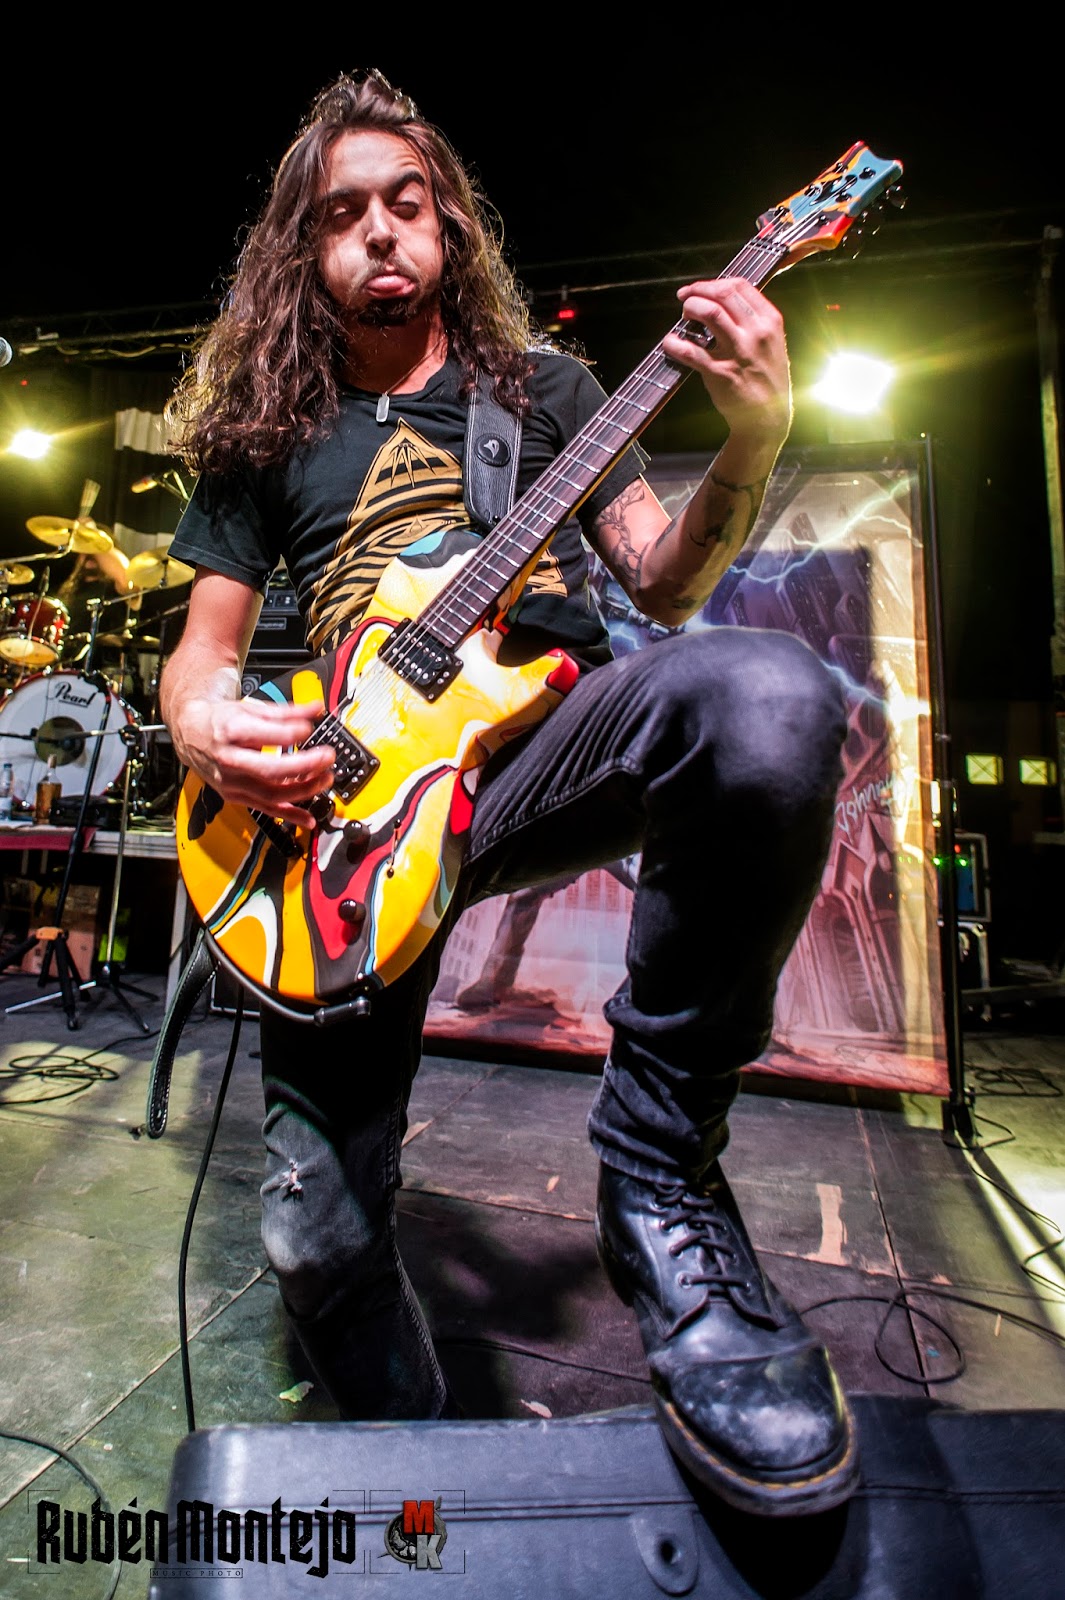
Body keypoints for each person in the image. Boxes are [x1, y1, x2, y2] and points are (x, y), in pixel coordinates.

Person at [159, 70, 854, 1518]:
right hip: (345, 813)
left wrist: (753, 438)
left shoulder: (545, 392)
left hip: (539, 749)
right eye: (342, 214)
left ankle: (657, 1168)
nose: (379, 230)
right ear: (303, 252)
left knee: (770, 697)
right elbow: (202, 659)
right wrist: (209, 733)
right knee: (315, 1245)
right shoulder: (266, 434)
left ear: (450, 227)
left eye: (405, 203)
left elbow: (663, 581)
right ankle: (438, 1502)